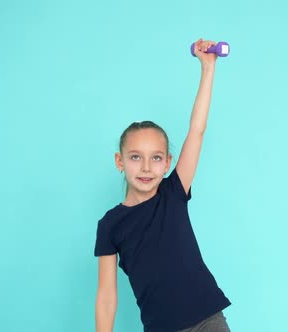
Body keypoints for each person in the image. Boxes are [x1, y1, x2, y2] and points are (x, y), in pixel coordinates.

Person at [94, 38, 231, 332]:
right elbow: (106, 296)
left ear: (167, 163)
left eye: (155, 158)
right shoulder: (110, 224)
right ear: (120, 161)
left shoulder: (173, 192)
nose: (146, 167)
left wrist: (208, 69)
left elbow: (197, 129)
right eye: (135, 157)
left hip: (209, 320)